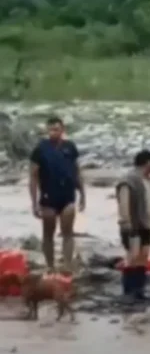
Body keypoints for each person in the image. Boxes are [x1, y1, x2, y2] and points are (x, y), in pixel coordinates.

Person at [28, 116, 85, 274]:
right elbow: (33, 176)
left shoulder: (70, 147)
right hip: (48, 196)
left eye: (57, 129)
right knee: (48, 233)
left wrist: (83, 194)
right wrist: (34, 203)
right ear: (47, 130)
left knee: (68, 232)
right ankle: (50, 266)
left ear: (62, 130)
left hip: (67, 195)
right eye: (51, 129)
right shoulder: (40, 149)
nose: (55, 132)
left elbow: (77, 171)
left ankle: (67, 265)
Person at [116, 149, 150, 302]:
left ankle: (139, 291)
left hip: (146, 225)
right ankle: (128, 292)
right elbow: (124, 202)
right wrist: (126, 222)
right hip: (133, 225)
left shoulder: (148, 181)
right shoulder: (128, 180)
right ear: (148, 162)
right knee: (132, 257)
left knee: (143, 257)